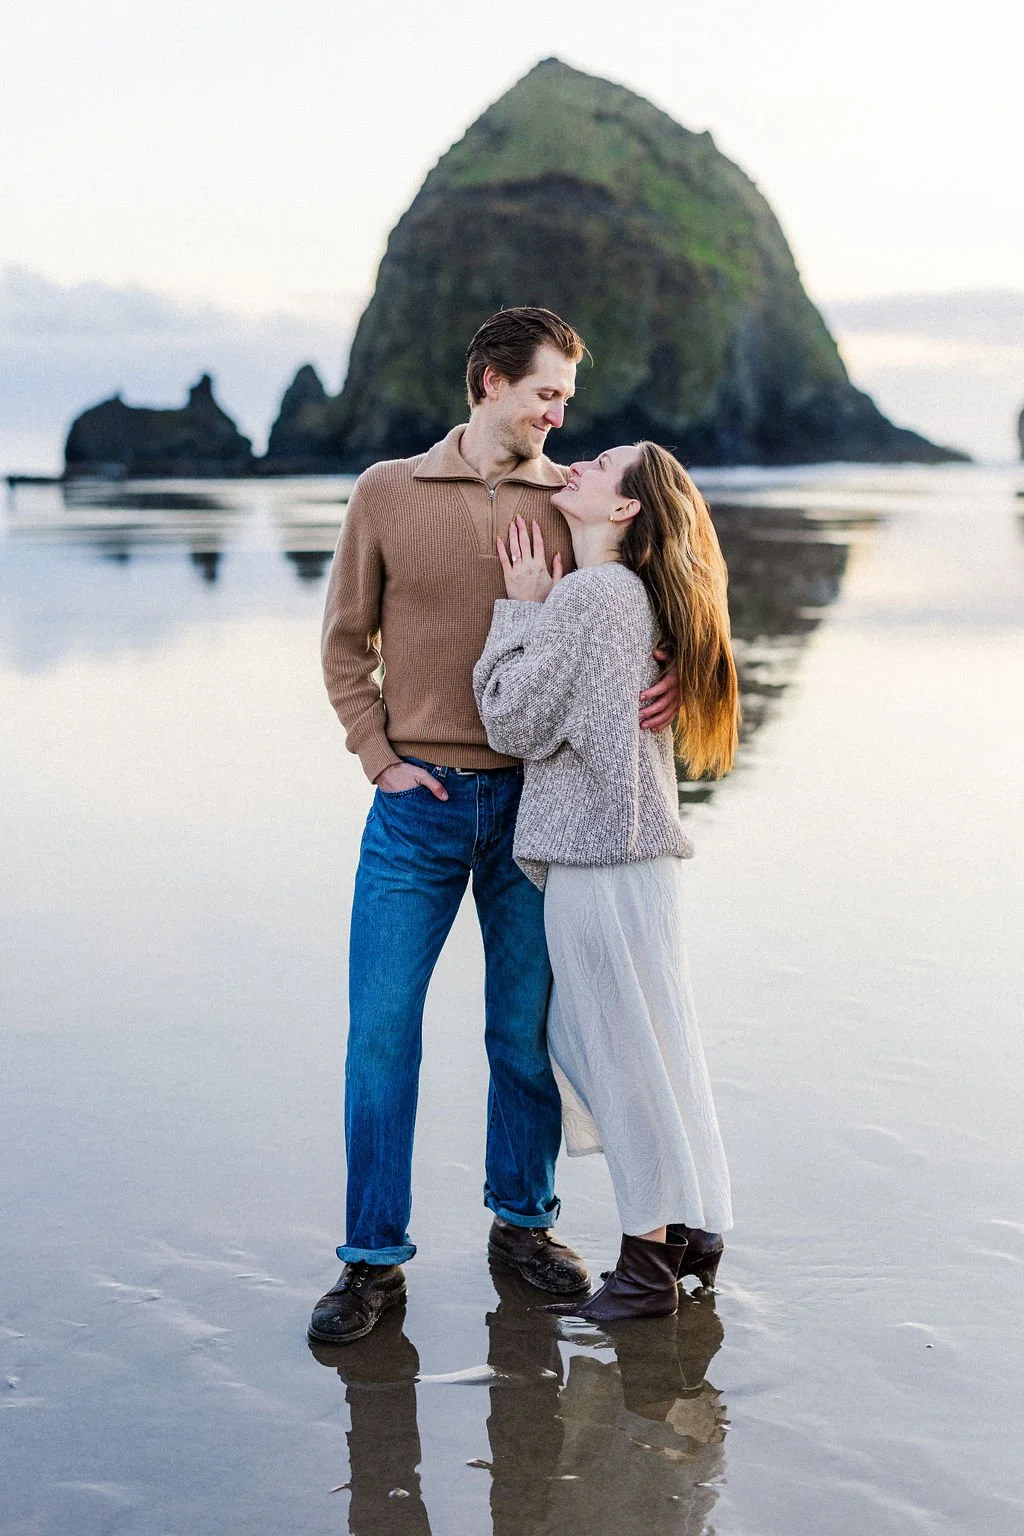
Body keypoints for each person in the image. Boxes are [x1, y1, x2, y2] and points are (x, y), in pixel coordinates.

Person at [308, 310, 680, 1345]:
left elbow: (661, 586)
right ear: (488, 383)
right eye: (545, 395)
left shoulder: (572, 501)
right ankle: (370, 1260)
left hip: (532, 811)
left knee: (522, 1035)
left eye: (565, 399)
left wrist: (684, 667)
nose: (559, 416)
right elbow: (344, 644)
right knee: (381, 1037)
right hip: (413, 811)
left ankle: (524, 1224)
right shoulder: (386, 491)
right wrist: (377, 757)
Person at [473, 441, 737, 1321]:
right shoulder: (633, 597)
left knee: (615, 1057)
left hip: (600, 866)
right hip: (633, 866)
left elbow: (510, 719)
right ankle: (690, 1230)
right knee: (649, 1047)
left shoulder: (593, 596)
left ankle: (646, 1265)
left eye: (602, 464)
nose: (578, 463)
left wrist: (521, 610)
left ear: (625, 510)